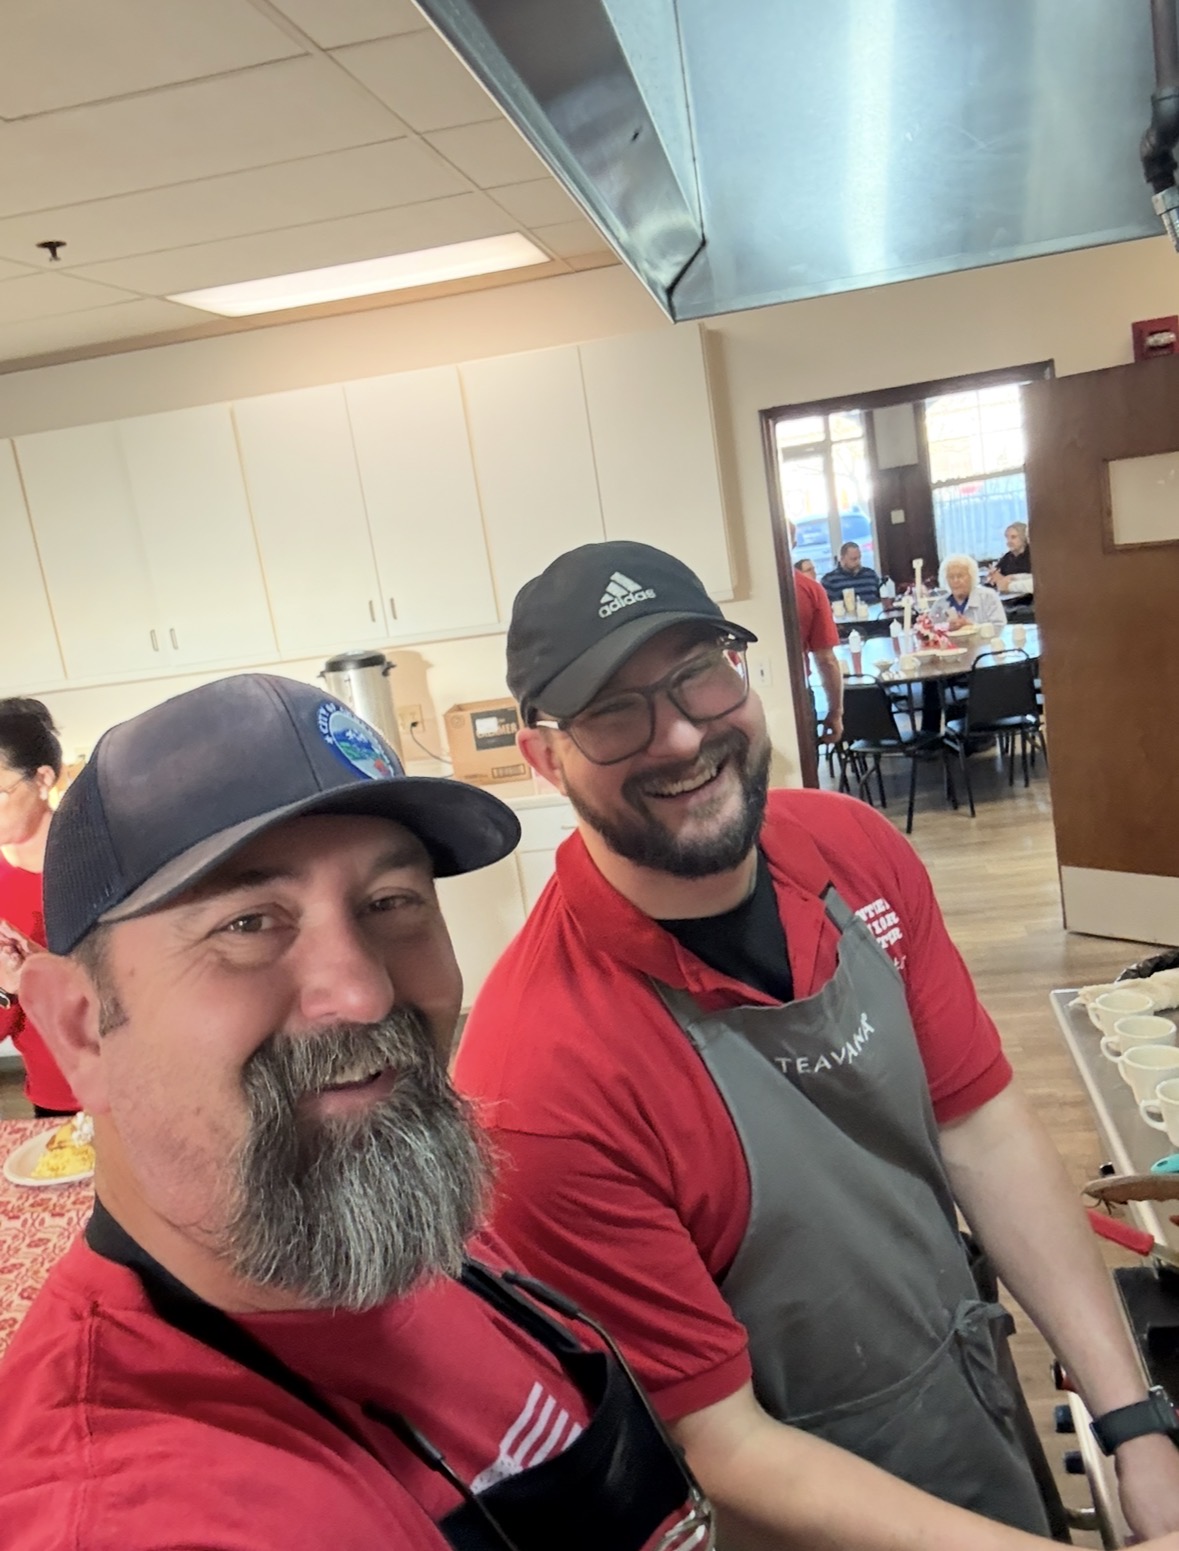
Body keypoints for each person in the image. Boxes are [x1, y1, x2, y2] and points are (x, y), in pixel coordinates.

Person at [454, 538, 1179, 1548]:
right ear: (544, 758)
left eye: (699, 673)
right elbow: (725, 1442)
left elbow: (979, 1128)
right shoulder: (533, 1084)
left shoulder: (853, 850)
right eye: (613, 712)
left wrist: (1133, 1422)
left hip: (969, 1404)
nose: (680, 735)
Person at [0, 673, 711, 1551]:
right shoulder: (126, 1505)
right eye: (249, 923)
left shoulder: (393, 1212)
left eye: (389, 903)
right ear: (80, 1027)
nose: (365, 992)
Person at [0, 697, 79, 1117]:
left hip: (135, 1084)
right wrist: (7, 989)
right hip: (52, 1095)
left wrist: (47, 970)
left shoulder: (100, 862)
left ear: (44, 779)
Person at [790, 543, 843, 744]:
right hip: (797, 690)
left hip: (741, 694)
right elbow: (826, 660)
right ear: (793, 541)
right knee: (805, 760)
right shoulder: (809, 588)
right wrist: (835, 712)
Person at [938, 553, 1008, 630]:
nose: (955, 580)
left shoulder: (988, 596)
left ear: (971, 576)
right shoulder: (939, 605)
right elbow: (932, 631)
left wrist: (971, 627)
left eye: (960, 576)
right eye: (951, 577)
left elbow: (1000, 627)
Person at [987, 522, 1034, 593]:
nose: (1009, 541)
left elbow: (1033, 581)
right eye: (1007, 537)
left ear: (1023, 538)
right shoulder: (1007, 557)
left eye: (1013, 537)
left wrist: (1004, 580)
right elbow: (996, 574)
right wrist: (992, 576)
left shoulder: (1032, 556)